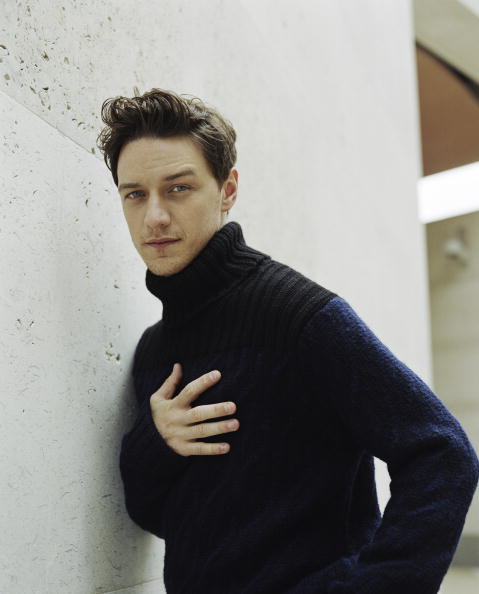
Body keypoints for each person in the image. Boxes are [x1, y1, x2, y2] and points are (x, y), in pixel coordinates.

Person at [96, 88, 479, 594]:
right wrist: (157, 442)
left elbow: (441, 452)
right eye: (135, 194)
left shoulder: (299, 316)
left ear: (227, 190)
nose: (155, 217)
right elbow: (152, 514)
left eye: (179, 188)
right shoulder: (155, 350)